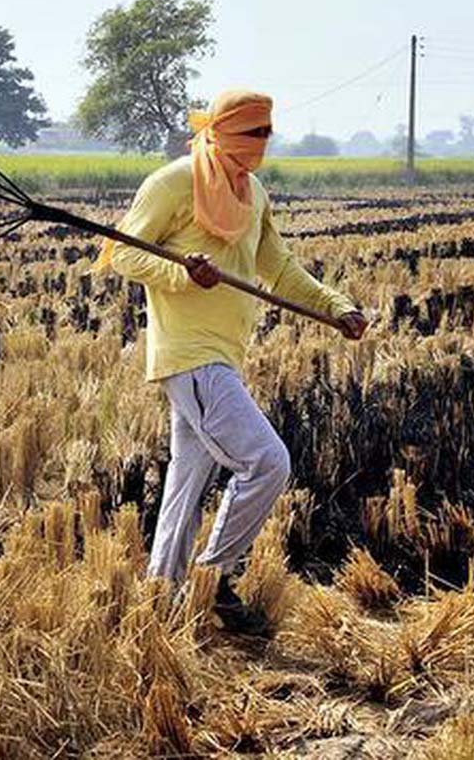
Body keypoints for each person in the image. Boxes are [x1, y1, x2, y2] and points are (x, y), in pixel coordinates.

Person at [104, 89, 368, 633]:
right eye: (254, 134)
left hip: (223, 354)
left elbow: (280, 268)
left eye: (268, 133)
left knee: (186, 480)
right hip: (191, 356)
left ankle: (162, 595)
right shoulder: (174, 182)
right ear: (224, 132)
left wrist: (336, 306)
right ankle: (212, 578)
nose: (263, 144)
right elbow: (125, 252)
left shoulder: (253, 194)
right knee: (268, 462)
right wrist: (182, 271)